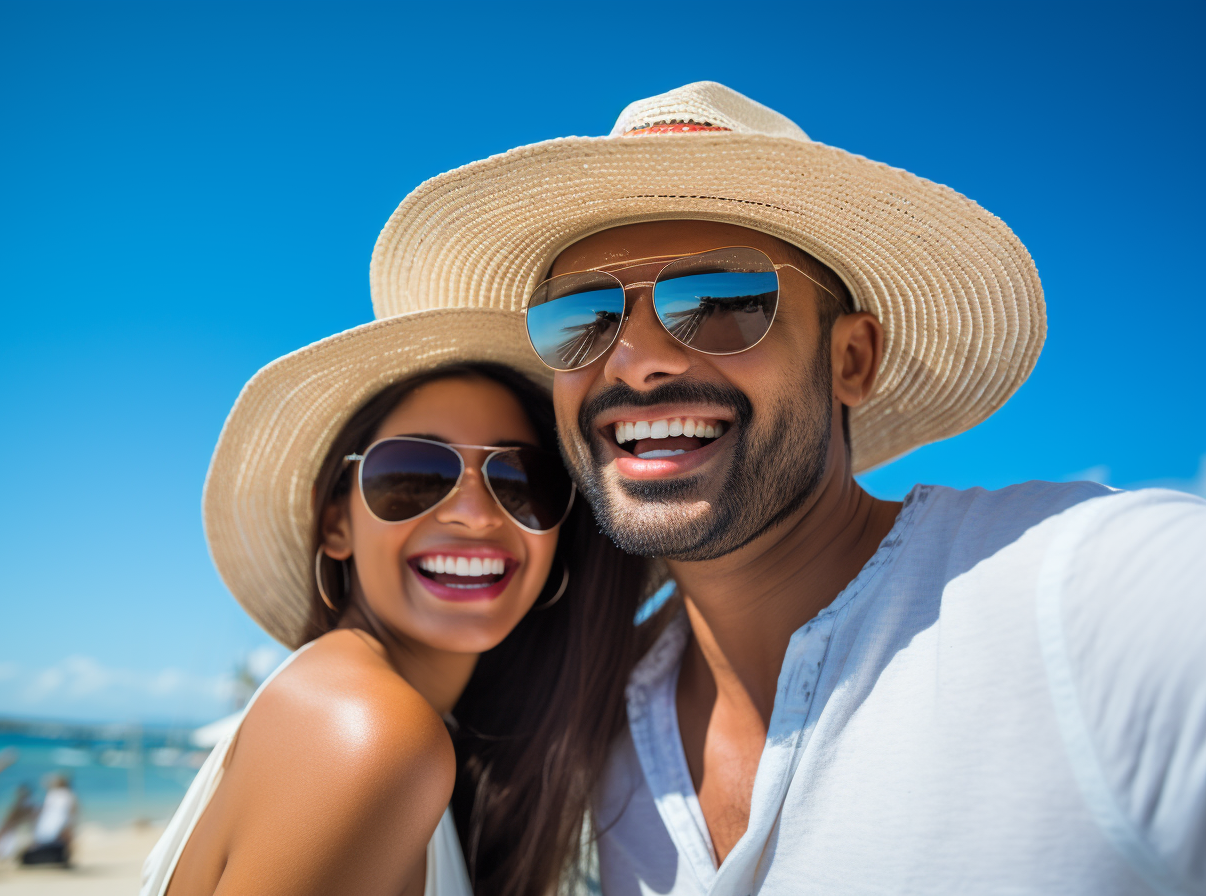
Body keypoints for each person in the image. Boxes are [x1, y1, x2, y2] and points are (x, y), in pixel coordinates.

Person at [370, 82, 1206, 894]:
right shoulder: (567, 741)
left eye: (723, 301)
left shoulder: (1081, 598)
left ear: (852, 360)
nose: (636, 357)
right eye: (581, 318)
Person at [142, 310, 653, 895]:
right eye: (414, 474)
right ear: (335, 522)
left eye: (521, 482)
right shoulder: (363, 731)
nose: (475, 512)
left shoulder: (390, 725)